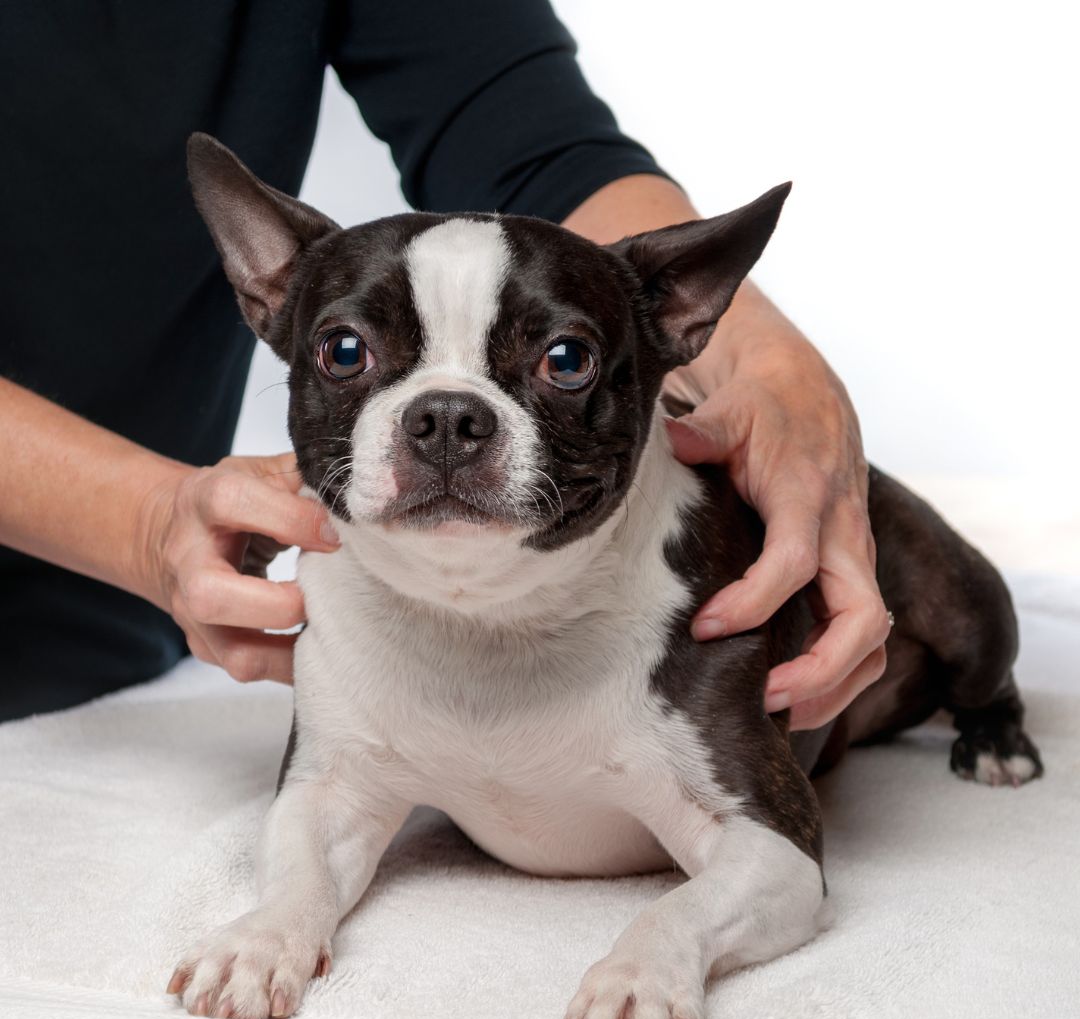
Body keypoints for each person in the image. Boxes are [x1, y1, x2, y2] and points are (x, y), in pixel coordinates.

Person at [0, 0, 890, 724]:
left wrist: (774, 367)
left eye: (565, 362)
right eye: (349, 354)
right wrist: (143, 519)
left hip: (118, 644)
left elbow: (531, 137)